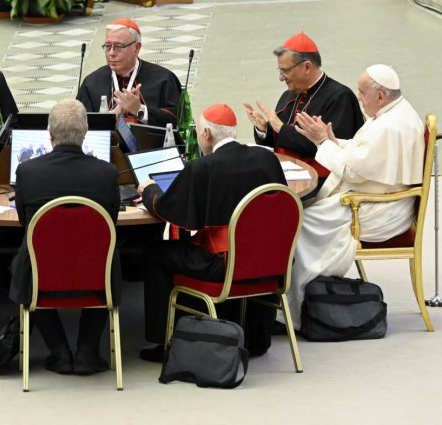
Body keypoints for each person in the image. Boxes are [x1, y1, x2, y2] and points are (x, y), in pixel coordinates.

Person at [137, 104, 287, 361]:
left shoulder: (203, 168)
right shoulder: (267, 159)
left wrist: (150, 190)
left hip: (225, 263)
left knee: (156, 252)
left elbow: (169, 211)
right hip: (271, 260)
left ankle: (166, 343)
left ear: (206, 133)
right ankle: (256, 334)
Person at [288, 64, 424, 328]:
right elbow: (364, 152)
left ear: (381, 96)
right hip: (378, 198)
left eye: (362, 93)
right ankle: (299, 299)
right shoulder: (392, 113)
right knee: (303, 217)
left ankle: (297, 308)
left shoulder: (390, 125)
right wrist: (334, 141)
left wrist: (322, 143)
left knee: (302, 223)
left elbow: (352, 169)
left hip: (380, 210)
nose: (358, 97)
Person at [9, 99, 121, 375]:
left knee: (24, 261)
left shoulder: (27, 172)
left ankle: (58, 351)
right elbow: (110, 223)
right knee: (106, 256)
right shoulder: (107, 173)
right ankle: (87, 351)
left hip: (42, 273)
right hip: (96, 274)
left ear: (49, 134)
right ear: (86, 131)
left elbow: (27, 224)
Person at [243, 32, 363, 192]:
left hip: (319, 180)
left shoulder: (340, 97)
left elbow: (332, 149)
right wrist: (264, 129)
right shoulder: (288, 95)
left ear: (307, 66)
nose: (280, 77)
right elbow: (277, 142)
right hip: (285, 172)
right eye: (279, 71)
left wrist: (282, 129)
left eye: (285, 71)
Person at [77, 18, 181, 127]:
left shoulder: (164, 79)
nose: (111, 53)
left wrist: (140, 110)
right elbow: (78, 125)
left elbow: (179, 122)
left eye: (118, 46)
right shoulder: (91, 82)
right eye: (108, 46)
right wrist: (114, 114)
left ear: (137, 48)